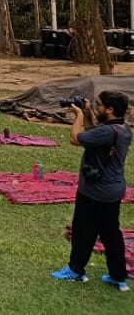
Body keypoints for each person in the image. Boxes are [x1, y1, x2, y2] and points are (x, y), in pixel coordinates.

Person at [51, 91, 131, 292]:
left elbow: (76, 139)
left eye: (100, 105)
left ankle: (76, 271)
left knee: (83, 231)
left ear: (110, 110)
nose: (98, 108)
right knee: (111, 233)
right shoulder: (123, 129)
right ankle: (118, 277)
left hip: (95, 192)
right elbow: (92, 135)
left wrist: (78, 115)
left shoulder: (106, 132)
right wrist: (87, 114)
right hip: (113, 191)